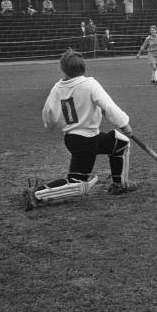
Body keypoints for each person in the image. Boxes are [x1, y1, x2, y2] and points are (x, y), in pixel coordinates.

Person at [22, 50, 137, 210]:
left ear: (62, 69)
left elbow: (49, 113)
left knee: (120, 143)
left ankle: (119, 184)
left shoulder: (58, 88)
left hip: (77, 138)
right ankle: (37, 193)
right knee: (78, 183)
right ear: (83, 67)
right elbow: (109, 106)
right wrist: (124, 124)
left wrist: (50, 126)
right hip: (86, 141)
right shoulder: (90, 84)